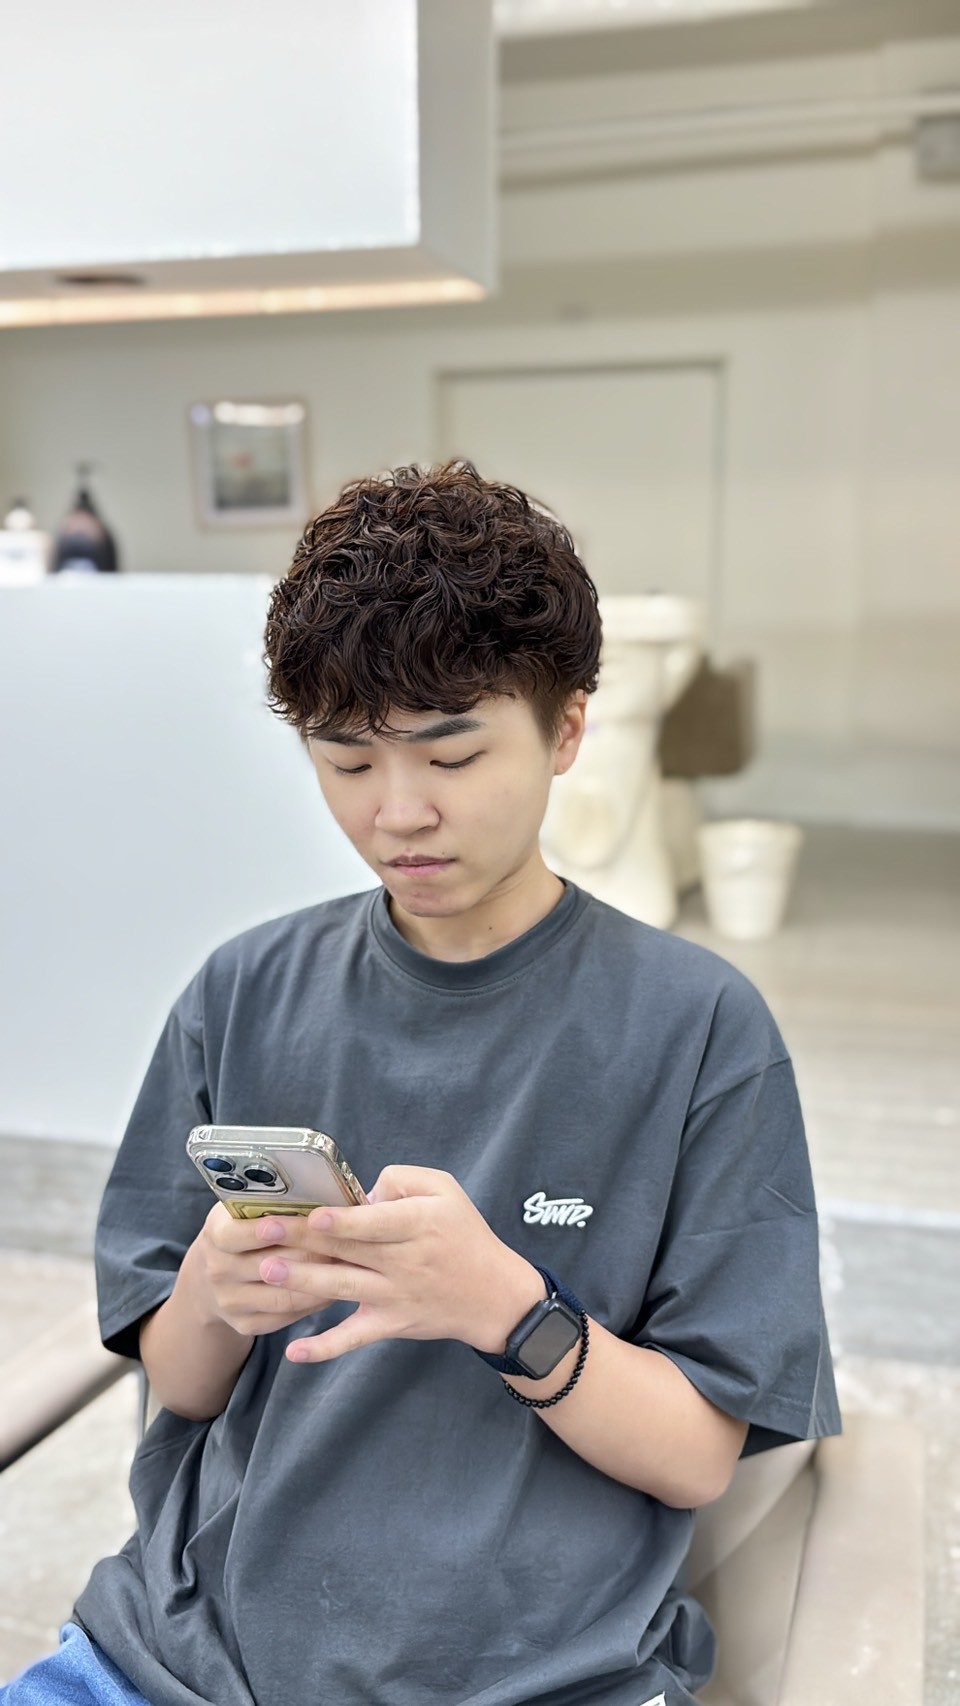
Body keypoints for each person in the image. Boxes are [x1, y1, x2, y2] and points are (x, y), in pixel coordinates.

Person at [3, 461, 840, 1706]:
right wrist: (218, 1289)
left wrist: (505, 1306)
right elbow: (178, 1384)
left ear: (566, 730)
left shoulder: (697, 1029)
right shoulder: (242, 991)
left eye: (452, 753)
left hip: (537, 1678)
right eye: (347, 762)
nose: (399, 814)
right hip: (180, 1660)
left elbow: (698, 1456)